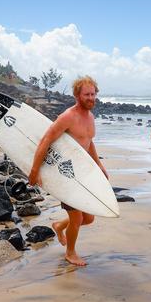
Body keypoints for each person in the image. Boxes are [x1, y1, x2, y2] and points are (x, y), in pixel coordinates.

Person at [28, 75, 109, 266]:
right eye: (87, 94)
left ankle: (58, 226)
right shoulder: (67, 117)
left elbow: (88, 142)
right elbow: (45, 141)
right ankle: (70, 253)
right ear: (77, 95)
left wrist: (99, 165)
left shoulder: (90, 117)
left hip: (81, 174)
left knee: (88, 218)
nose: (91, 98)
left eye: (93, 94)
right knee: (77, 217)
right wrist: (34, 170)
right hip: (65, 173)